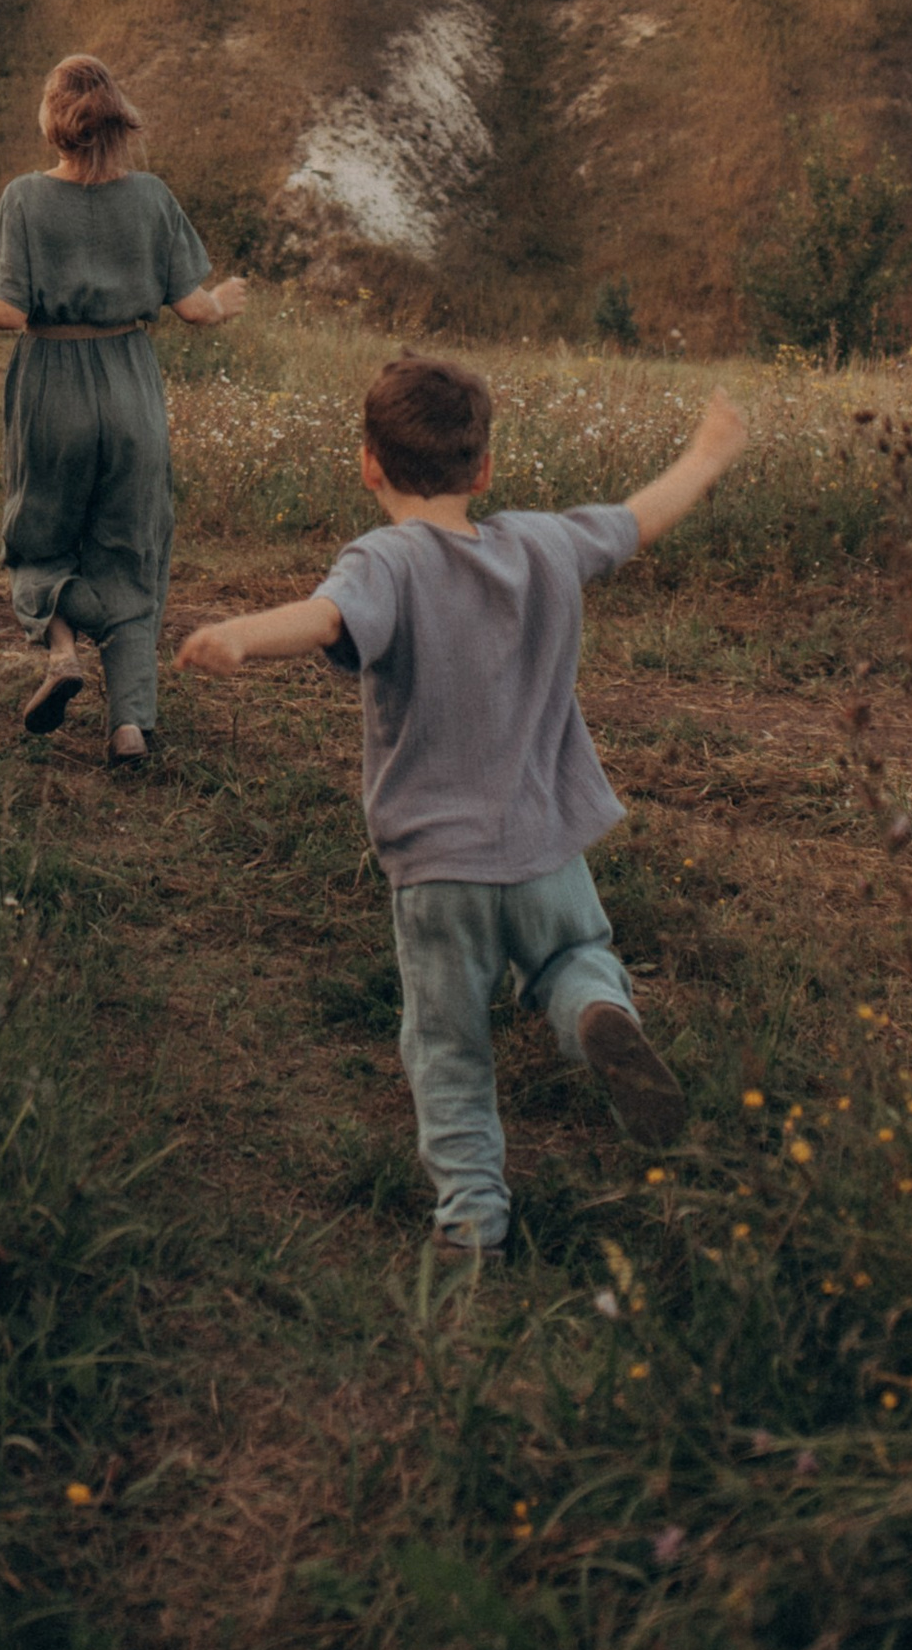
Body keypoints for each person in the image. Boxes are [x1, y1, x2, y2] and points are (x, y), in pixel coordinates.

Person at [178, 351, 748, 1253]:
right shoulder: (544, 543)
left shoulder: (386, 561)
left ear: (367, 464)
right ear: (483, 469)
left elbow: (325, 619)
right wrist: (707, 456)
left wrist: (242, 638)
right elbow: (641, 522)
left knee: (446, 1045)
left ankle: (473, 1219)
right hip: (544, 848)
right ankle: (598, 1012)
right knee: (572, 957)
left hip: (439, 867)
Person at [0, 54, 247, 766]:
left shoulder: (25, 199)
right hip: (131, 386)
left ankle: (63, 651)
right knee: (132, 554)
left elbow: (8, 312)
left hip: (53, 385)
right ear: (116, 118)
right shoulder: (153, 197)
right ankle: (130, 723)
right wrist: (223, 303)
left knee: (38, 540)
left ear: (53, 121)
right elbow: (196, 309)